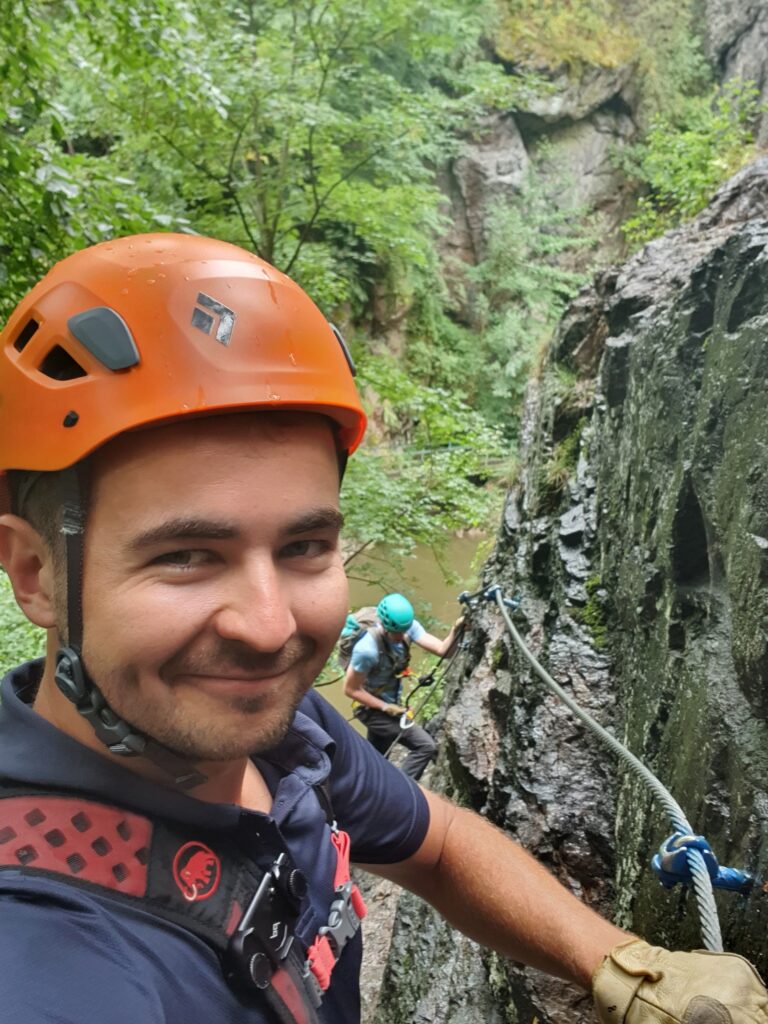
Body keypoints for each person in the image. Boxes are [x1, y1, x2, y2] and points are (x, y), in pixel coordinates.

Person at [0, 234, 764, 1024]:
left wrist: (626, 971)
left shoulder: (286, 736)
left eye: (303, 546)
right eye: (187, 556)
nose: (269, 630)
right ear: (34, 574)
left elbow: (437, 843)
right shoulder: (44, 956)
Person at [342, 593, 461, 780]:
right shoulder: (367, 650)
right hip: (371, 709)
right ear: (384, 626)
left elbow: (442, 650)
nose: (400, 637)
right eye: (395, 633)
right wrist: (386, 708)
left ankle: (365, 791)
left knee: (378, 760)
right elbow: (351, 689)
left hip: (391, 705)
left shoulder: (408, 627)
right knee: (425, 746)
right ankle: (402, 795)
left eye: (403, 632)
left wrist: (456, 629)